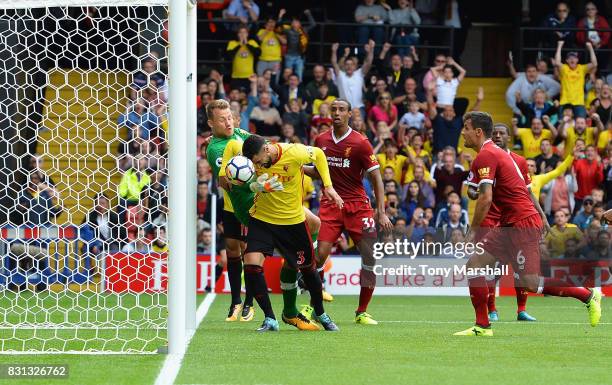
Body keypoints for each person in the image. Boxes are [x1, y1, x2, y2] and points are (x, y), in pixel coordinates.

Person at [454, 111, 600, 337]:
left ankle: (588, 296)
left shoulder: (487, 155)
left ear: (478, 131)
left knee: (530, 283)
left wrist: (472, 231)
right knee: (474, 265)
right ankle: (482, 326)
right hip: (509, 223)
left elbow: (486, 198)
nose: (462, 132)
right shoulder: (489, 155)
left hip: (522, 222)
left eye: (465, 127)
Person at [241, 134, 343, 332]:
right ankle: (270, 318)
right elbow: (241, 182)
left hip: (292, 222)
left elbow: (320, 155)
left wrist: (328, 186)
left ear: (267, 148)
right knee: (252, 266)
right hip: (262, 219)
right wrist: (257, 186)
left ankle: (321, 313)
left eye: (258, 160)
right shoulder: (250, 162)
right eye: (254, 163)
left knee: (308, 269)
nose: (257, 164)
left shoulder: (294, 152)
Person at [308, 98, 393, 325]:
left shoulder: (360, 142)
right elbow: (318, 172)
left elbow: (376, 177)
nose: (336, 113)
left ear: (349, 114)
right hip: (331, 204)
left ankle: (362, 311)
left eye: (341, 110)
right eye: (333, 109)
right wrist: (293, 166)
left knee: (370, 257)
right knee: (319, 255)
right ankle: (314, 307)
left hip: (358, 207)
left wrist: (381, 211)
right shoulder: (321, 140)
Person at [205, 99, 255, 322]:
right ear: (211, 123)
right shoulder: (215, 148)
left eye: (230, 117)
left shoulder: (240, 134)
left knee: (249, 253)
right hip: (230, 206)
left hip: (249, 206)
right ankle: (236, 301)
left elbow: (259, 146)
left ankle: (250, 303)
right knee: (232, 253)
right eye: (222, 119)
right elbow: (228, 181)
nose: (228, 122)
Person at [331, 40, 375, 118]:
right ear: (344, 67)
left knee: (359, 129)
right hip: (343, 109)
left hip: (359, 108)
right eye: (347, 64)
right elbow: (334, 63)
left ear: (355, 66)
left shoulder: (359, 74)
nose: (349, 66)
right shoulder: (340, 75)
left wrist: (371, 50)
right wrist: (334, 51)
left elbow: (369, 62)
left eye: (352, 64)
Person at [554, 40, 597, 118]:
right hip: (565, 102)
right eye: (570, 58)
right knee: (562, 125)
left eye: (574, 58)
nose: (572, 59)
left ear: (577, 60)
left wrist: (590, 48)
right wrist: (559, 46)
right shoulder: (564, 68)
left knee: (581, 124)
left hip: (579, 103)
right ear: (567, 61)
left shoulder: (582, 68)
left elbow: (594, 63)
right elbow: (557, 62)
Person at [278, 9, 316, 82]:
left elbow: (313, 24)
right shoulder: (288, 31)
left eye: (297, 22)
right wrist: (280, 15)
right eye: (294, 22)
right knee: (288, 76)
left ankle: (298, 91)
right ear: (291, 24)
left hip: (299, 57)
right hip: (289, 56)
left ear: (300, 24)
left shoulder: (303, 30)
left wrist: (308, 14)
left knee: (299, 75)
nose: (295, 23)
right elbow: (279, 26)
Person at [576, 2, 610, 70]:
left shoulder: (601, 20)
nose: (590, 11)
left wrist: (600, 43)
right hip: (587, 45)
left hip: (600, 45)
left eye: (592, 9)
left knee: (605, 53)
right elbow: (579, 36)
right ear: (585, 11)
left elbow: (607, 33)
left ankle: (601, 74)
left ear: (596, 10)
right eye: (588, 9)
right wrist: (590, 44)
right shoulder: (582, 21)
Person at [226, 25, 260, 90]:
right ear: (237, 34)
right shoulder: (232, 43)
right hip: (236, 76)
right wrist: (239, 45)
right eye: (240, 32)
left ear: (247, 34)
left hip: (250, 76)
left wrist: (247, 44)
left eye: (244, 32)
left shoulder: (252, 42)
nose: (242, 34)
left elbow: (258, 53)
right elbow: (229, 55)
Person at [573, 145, 604, 213]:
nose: (590, 153)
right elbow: (573, 173)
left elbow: (600, 180)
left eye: (592, 151)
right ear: (584, 153)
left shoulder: (598, 164)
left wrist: (599, 167)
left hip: (593, 198)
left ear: (595, 153)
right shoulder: (579, 162)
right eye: (588, 151)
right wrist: (575, 158)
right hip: (580, 197)